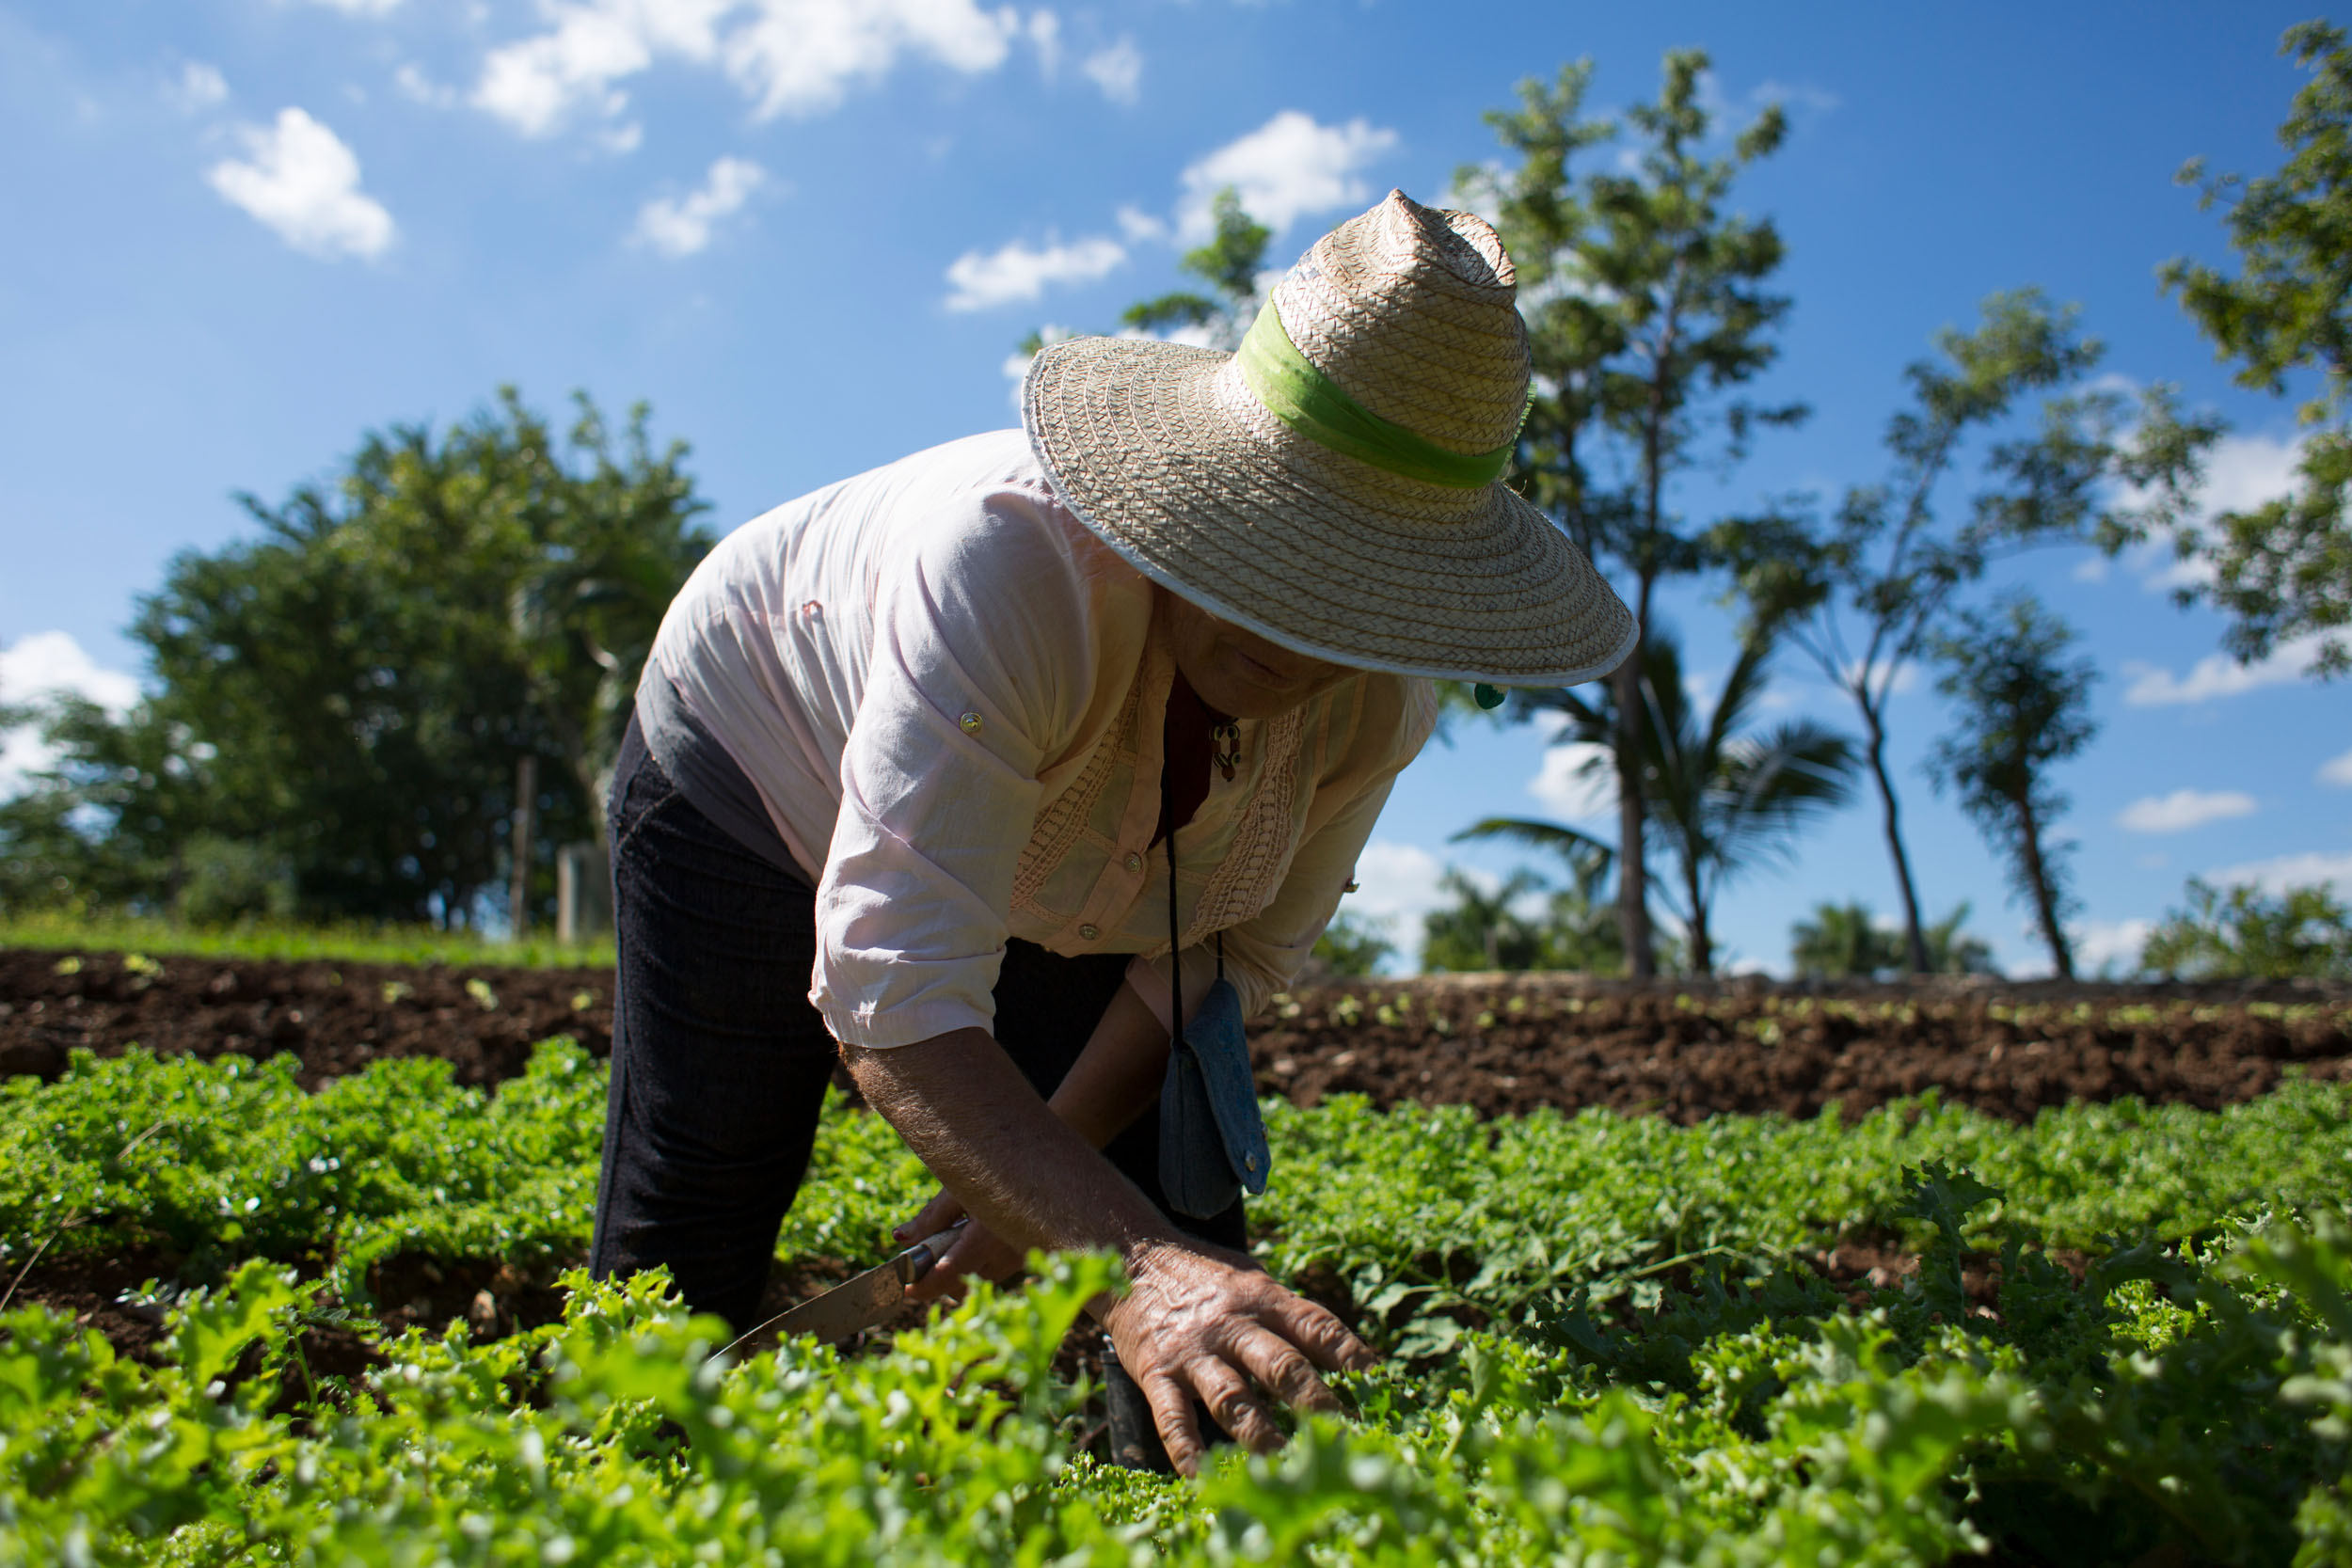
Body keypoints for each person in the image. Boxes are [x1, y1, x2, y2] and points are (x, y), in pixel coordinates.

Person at [589, 190, 1635, 1475]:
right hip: (755, 762)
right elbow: (895, 992)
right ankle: (619, 1489)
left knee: (1188, 1248)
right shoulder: (1013, 570)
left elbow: (1220, 964)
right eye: (1275, 546)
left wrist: (1038, 1220)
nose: (1301, 630)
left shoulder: (1377, 708)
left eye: (1354, 588)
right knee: (708, 1180)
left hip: (1067, 861)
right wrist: (1131, 1266)